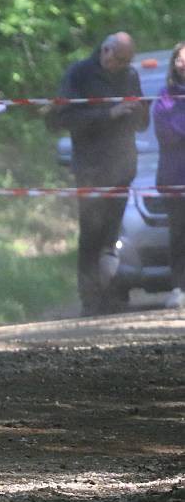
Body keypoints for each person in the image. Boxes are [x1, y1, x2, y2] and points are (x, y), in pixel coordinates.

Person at [53, 32, 148, 314]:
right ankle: (90, 298)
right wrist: (109, 114)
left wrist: (140, 111)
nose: (121, 66)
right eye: (118, 60)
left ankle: (113, 294)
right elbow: (61, 118)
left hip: (122, 167)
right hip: (91, 168)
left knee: (112, 237)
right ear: (105, 51)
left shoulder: (130, 75)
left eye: (126, 62)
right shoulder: (79, 73)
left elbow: (142, 125)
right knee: (91, 234)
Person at [151, 41, 185, 309]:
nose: (183, 64)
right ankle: (178, 287)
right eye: (180, 59)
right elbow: (168, 132)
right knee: (179, 234)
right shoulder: (165, 97)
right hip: (176, 177)